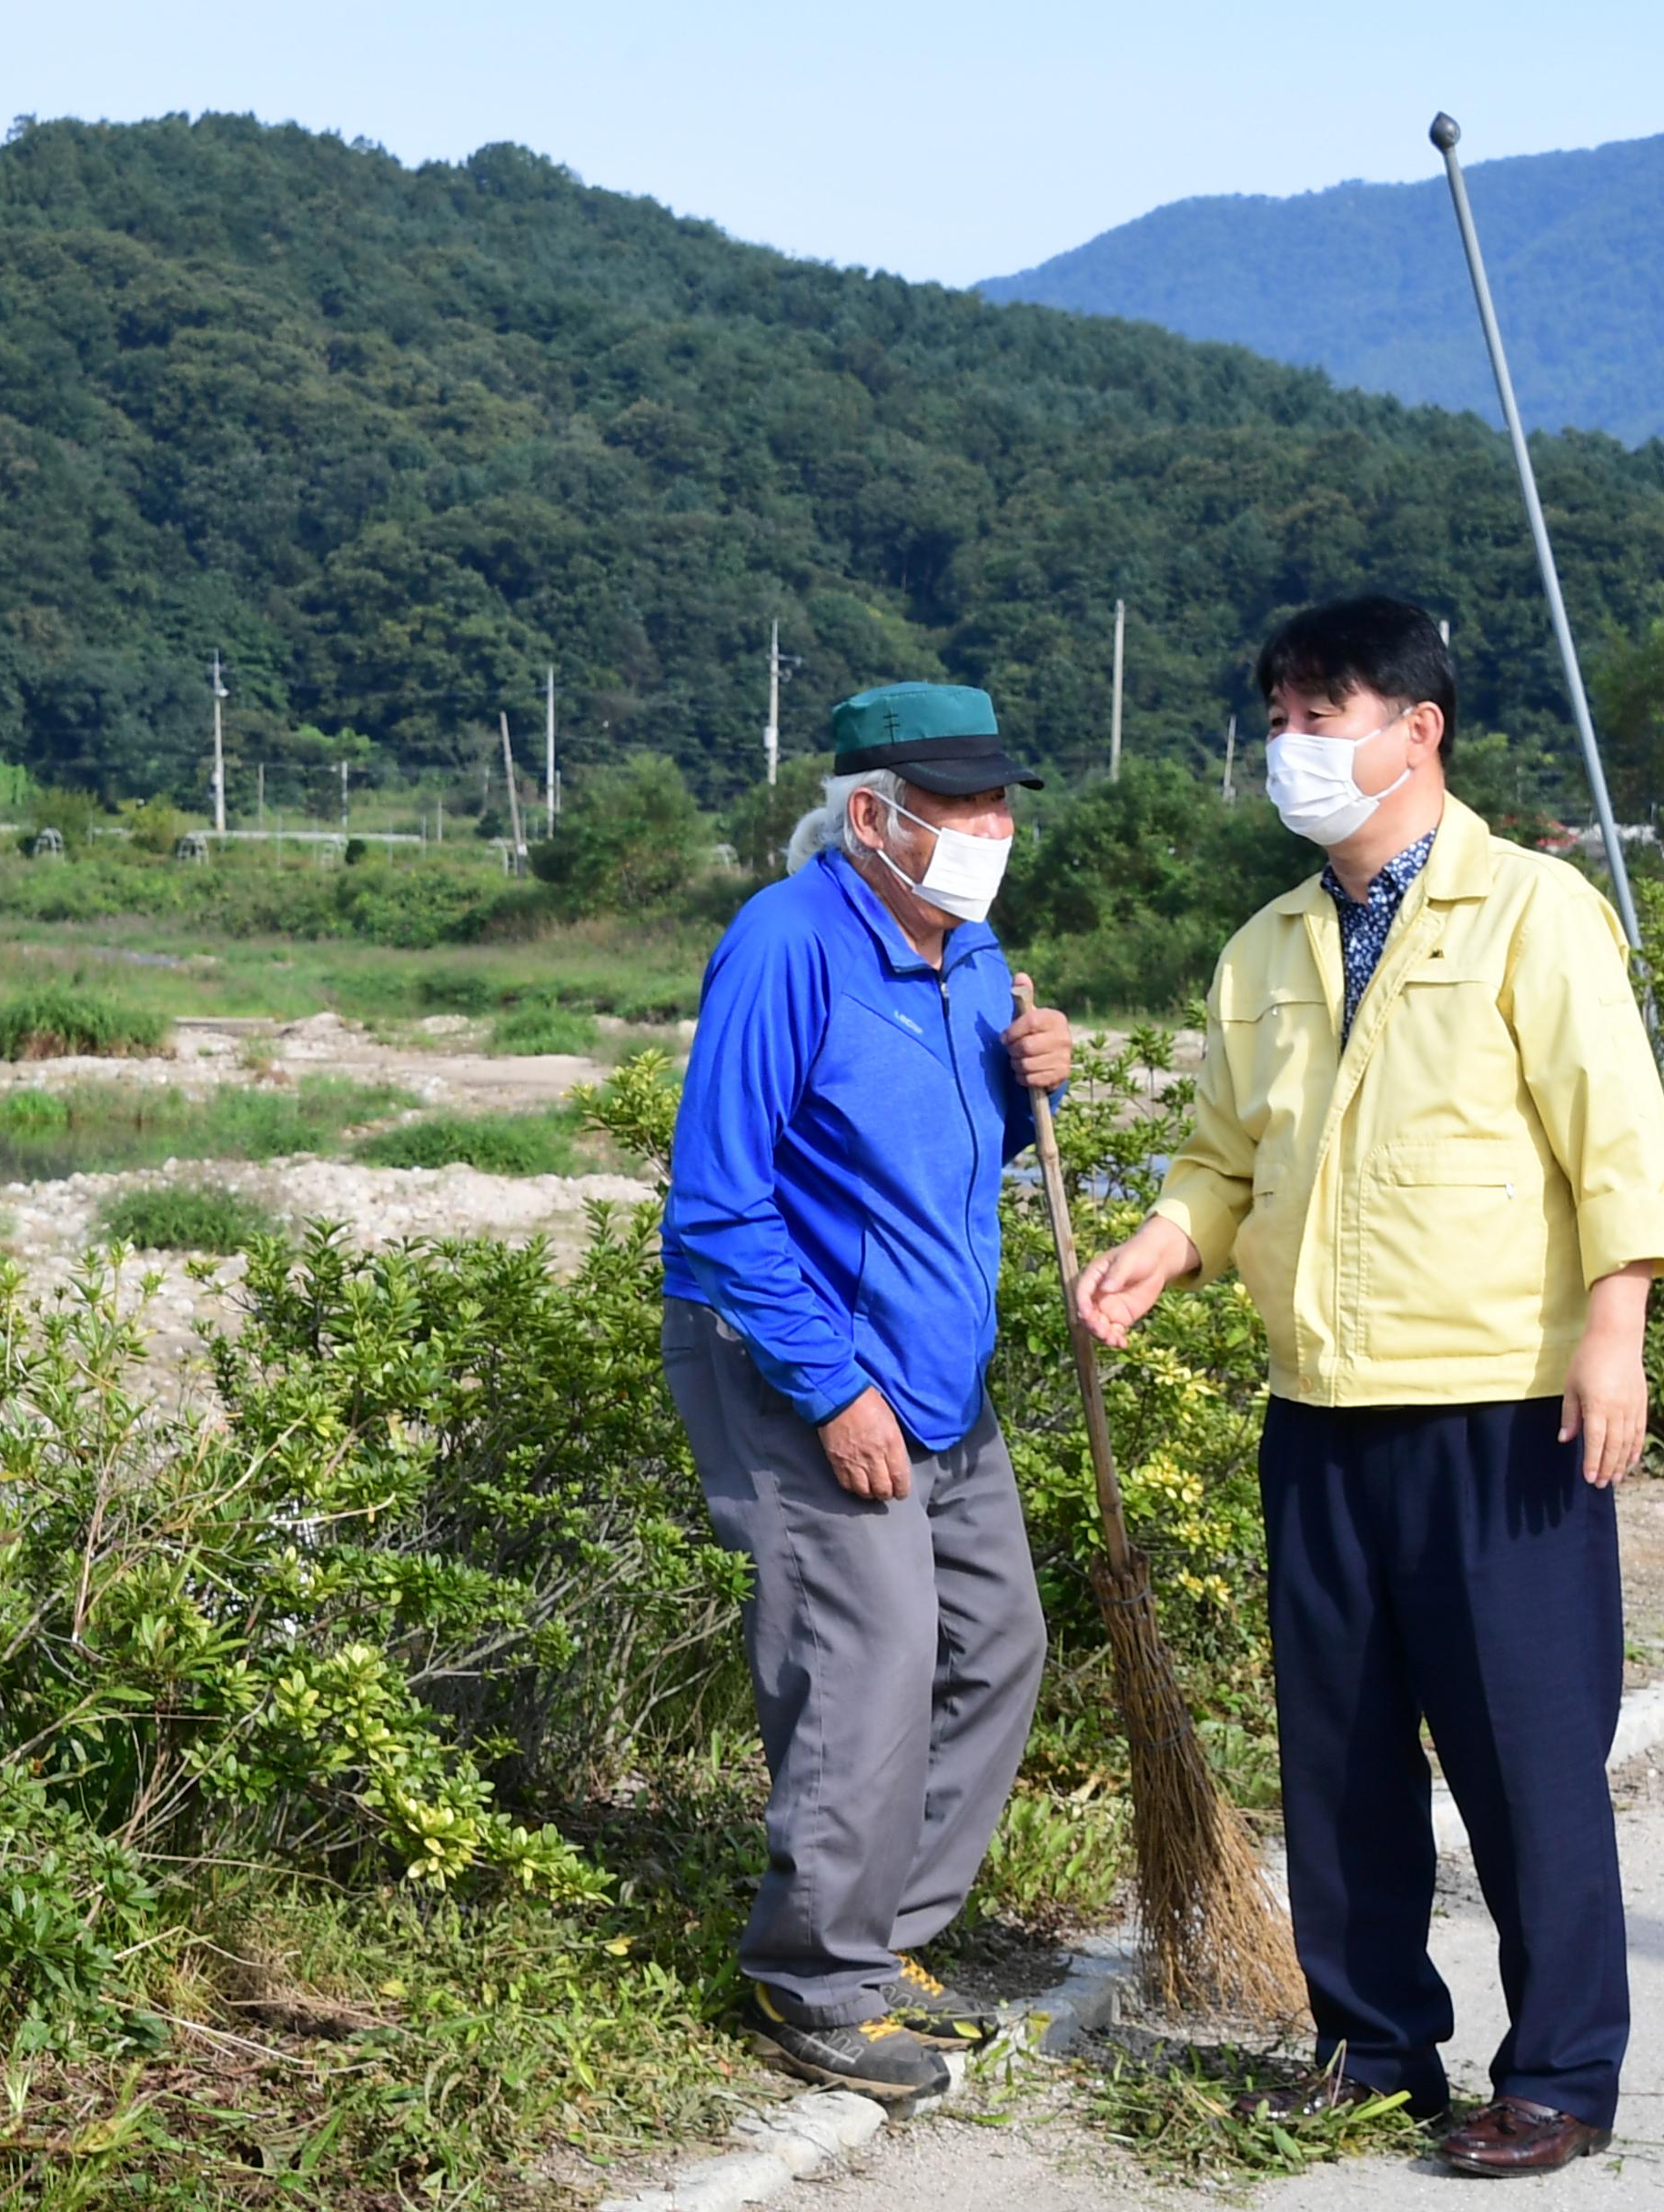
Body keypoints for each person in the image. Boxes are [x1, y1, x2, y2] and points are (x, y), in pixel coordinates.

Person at [1072, 598, 1664, 2177]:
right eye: (1278, 714)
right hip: (1322, 1408)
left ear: (1419, 727)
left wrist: (1614, 1333)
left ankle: (1558, 2074)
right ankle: (1376, 2046)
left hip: (1502, 1409)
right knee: (1337, 1752)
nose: (1293, 745)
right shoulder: (1266, 945)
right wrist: (1161, 1245)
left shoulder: (1535, 913)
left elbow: (1618, 1147)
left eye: (1323, 712)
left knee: (1526, 1760)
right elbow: (1223, 1157)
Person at [661, 680, 1074, 2105]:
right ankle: (811, 1982)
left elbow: (955, 1155)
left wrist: (1038, 1092)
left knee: (996, 1644)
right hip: (803, 1365)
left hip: (941, 1370)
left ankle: (886, 1941)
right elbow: (716, 1211)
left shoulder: (971, 949)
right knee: (872, 1651)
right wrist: (835, 1391)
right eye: (960, 804)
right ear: (873, 816)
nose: (991, 827)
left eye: (1001, 800)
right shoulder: (786, 947)